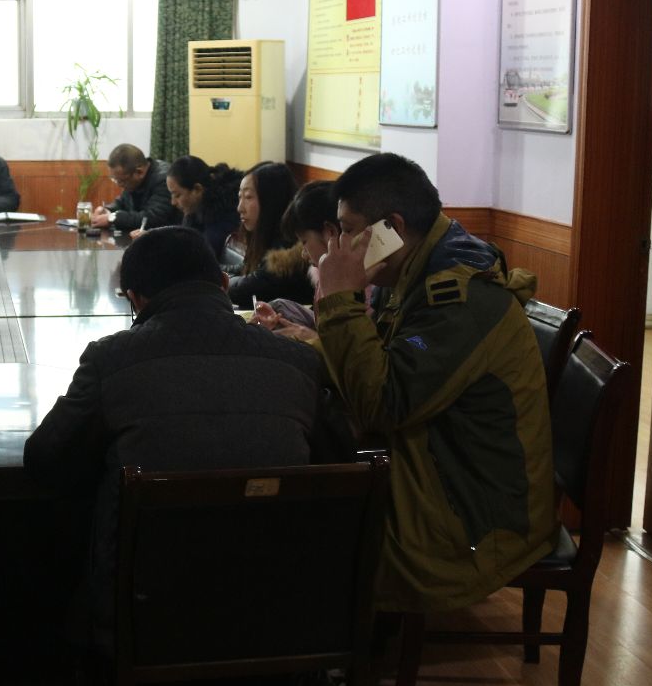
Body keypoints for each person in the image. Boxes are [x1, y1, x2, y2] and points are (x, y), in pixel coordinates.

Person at [24, 226, 339, 686]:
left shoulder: (113, 359)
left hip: (144, 627)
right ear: (223, 284)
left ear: (134, 298)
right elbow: (338, 465)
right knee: (257, 583)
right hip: (286, 630)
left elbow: (45, 463)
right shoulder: (299, 363)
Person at [307, 152, 556, 612]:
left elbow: (381, 404)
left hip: (474, 523)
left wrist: (340, 301)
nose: (338, 245)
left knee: (301, 524)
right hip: (440, 474)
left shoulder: (459, 298)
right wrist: (292, 351)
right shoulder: (412, 268)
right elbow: (377, 358)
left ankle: (326, 647)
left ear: (392, 227)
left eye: (347, 229)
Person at [250, 179, 344, 334]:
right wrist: (281, 318)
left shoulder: (361, 284)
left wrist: (309, 337)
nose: (303, 254)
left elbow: (349, 345)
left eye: (304, 242)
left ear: (330, 232)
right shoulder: (325, 276)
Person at [226, 161, 312, 308]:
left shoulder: (289, 254)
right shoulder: (267, 238)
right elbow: (245, 268)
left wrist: (218, 278)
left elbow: (247, 289)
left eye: (248, 197)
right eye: (240, 197)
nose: (240, 208)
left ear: (271, 201)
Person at [166, 155, 243, 261]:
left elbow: (200, 257)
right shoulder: (195, 209)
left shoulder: (226, 212)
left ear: (197, 189)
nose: (173, 202)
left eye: (177, 195)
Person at [90, 143, 180, 233]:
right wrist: (107, 210)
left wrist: (112, 218)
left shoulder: (164, 179)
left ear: (139, 172)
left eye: (121, 181)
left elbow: (153, 218)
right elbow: (122, 203)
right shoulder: (131, 180)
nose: (119, 184)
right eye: (115, 179)